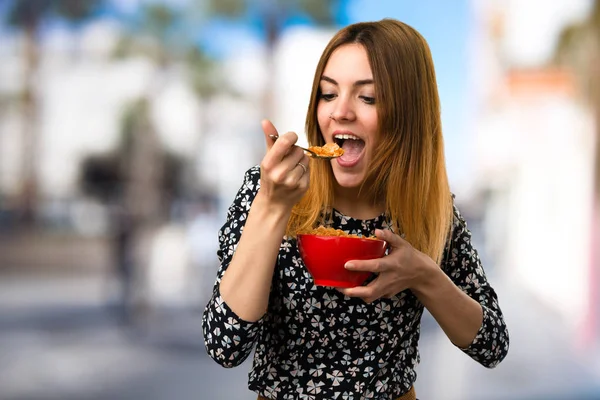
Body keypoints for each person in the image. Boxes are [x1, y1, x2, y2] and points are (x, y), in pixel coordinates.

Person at [202, 18, 509, 400]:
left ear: (408, 114)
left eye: (368, 98)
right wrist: (271, 208)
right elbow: (225, 346)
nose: (339, 112)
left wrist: (425, 276)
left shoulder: (430, 211)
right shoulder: (266, 189)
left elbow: (492, 345)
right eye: (328, 95)